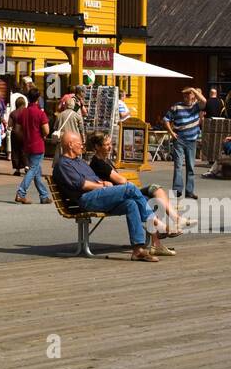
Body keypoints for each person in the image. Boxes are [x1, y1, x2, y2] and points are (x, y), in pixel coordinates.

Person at [53, 131, 167, 262]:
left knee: (131, 204)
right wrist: (103, 186)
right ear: (70, 145)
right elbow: (82, 184)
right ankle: (156, 223)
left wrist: (102, 184)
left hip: (98, 196)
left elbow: (93, 179)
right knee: (129, 188)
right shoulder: (63, 165)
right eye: (80, 143)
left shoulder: (80, 162)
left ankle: (138, 250)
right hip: (87, 199)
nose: (82, 146)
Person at [86, 131, 186, 254]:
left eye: (110, 143)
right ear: (97, 146)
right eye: (106, 144)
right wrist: (128, 184)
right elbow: (121, 181)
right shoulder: (98, 163)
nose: (110, 146)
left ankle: (168, 227)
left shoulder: (105, 160)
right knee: (147, 201)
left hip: (125, 192)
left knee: (155, 190)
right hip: (118, 196)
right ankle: (158, 238)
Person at [162, 86, 205, 199]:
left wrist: (194, 90)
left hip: (192, 140)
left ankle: (189, 191)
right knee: (178, 165)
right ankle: (177, 190)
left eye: (188, 94)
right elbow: (166, 119)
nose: (186, 97)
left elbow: (204, 101)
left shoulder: (196, 106)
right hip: (179, 139)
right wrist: (171, 132)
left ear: (193, 95)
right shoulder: (176, 106)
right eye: (184, 95)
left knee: (191, 166)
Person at [12, 86, 51, 204]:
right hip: (38, 145)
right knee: (33, 169)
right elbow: (46, 131)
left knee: (37, 171)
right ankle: (21, 192)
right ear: (38, 98)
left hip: (27, 145)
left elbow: (18, 128)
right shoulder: (40, 113)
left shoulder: (23, 113)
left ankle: (44, 195)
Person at [51, 94, 85, 160]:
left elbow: (55, 127)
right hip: (74, 140)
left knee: (62, 159)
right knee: (74, 159)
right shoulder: (77, 116)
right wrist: (83, 139)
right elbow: (81, 129)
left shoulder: (60, 115)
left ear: (66, 105)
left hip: (62, 140)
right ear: (73, 105)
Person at [7, 91, 28, 175]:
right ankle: (26, 165)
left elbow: (9, 125)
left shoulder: (13, 113)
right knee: (25, 150)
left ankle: (17, 170)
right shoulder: (27, 112)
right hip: (25, 134)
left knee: (15, 151)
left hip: (15, 134)